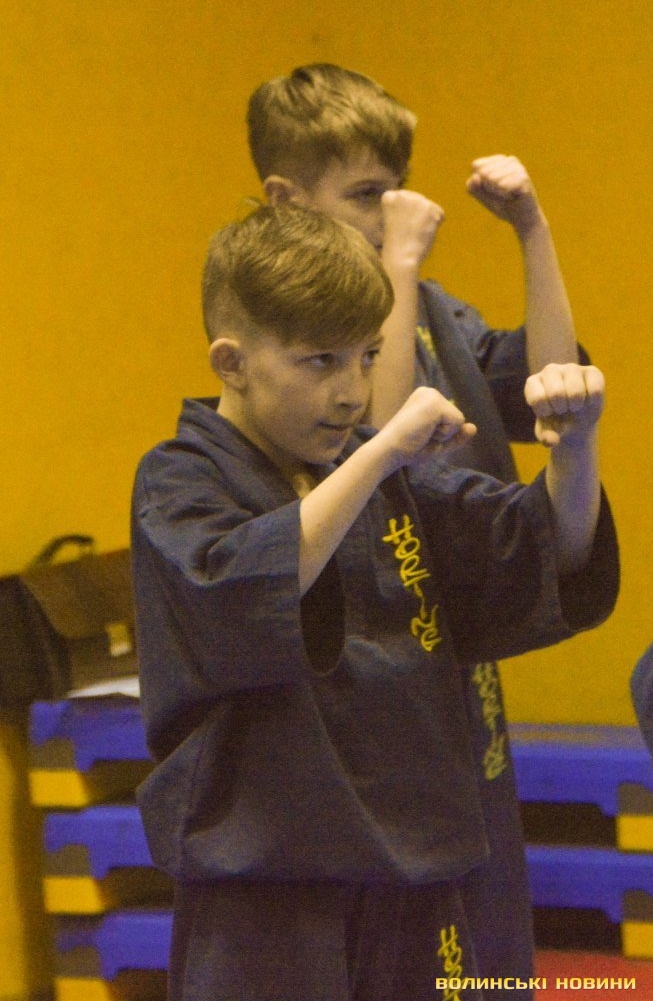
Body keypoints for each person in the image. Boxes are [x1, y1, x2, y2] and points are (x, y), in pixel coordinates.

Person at [132, 203, 619, 1001]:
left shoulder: (380, 471)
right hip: (267, 888)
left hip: (412, 867)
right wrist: (383, 451)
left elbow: (543, 554)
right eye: (319, 361)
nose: (351, 391)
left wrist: (575, 452)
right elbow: (245, 590)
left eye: (366, 357)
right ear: (232, 362)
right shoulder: (179, 480)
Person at [246, 63, 588, 993]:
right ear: (286, 201)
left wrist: (531, 230)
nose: (395, 209)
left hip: (456, 651)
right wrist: (395, 266)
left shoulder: (432, 309)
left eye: (396, 186)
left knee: (491, 905)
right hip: (373, 665)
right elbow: (377, 438)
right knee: (419, 934)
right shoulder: (291, 340)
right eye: (366, 194)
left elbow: (552, 388)